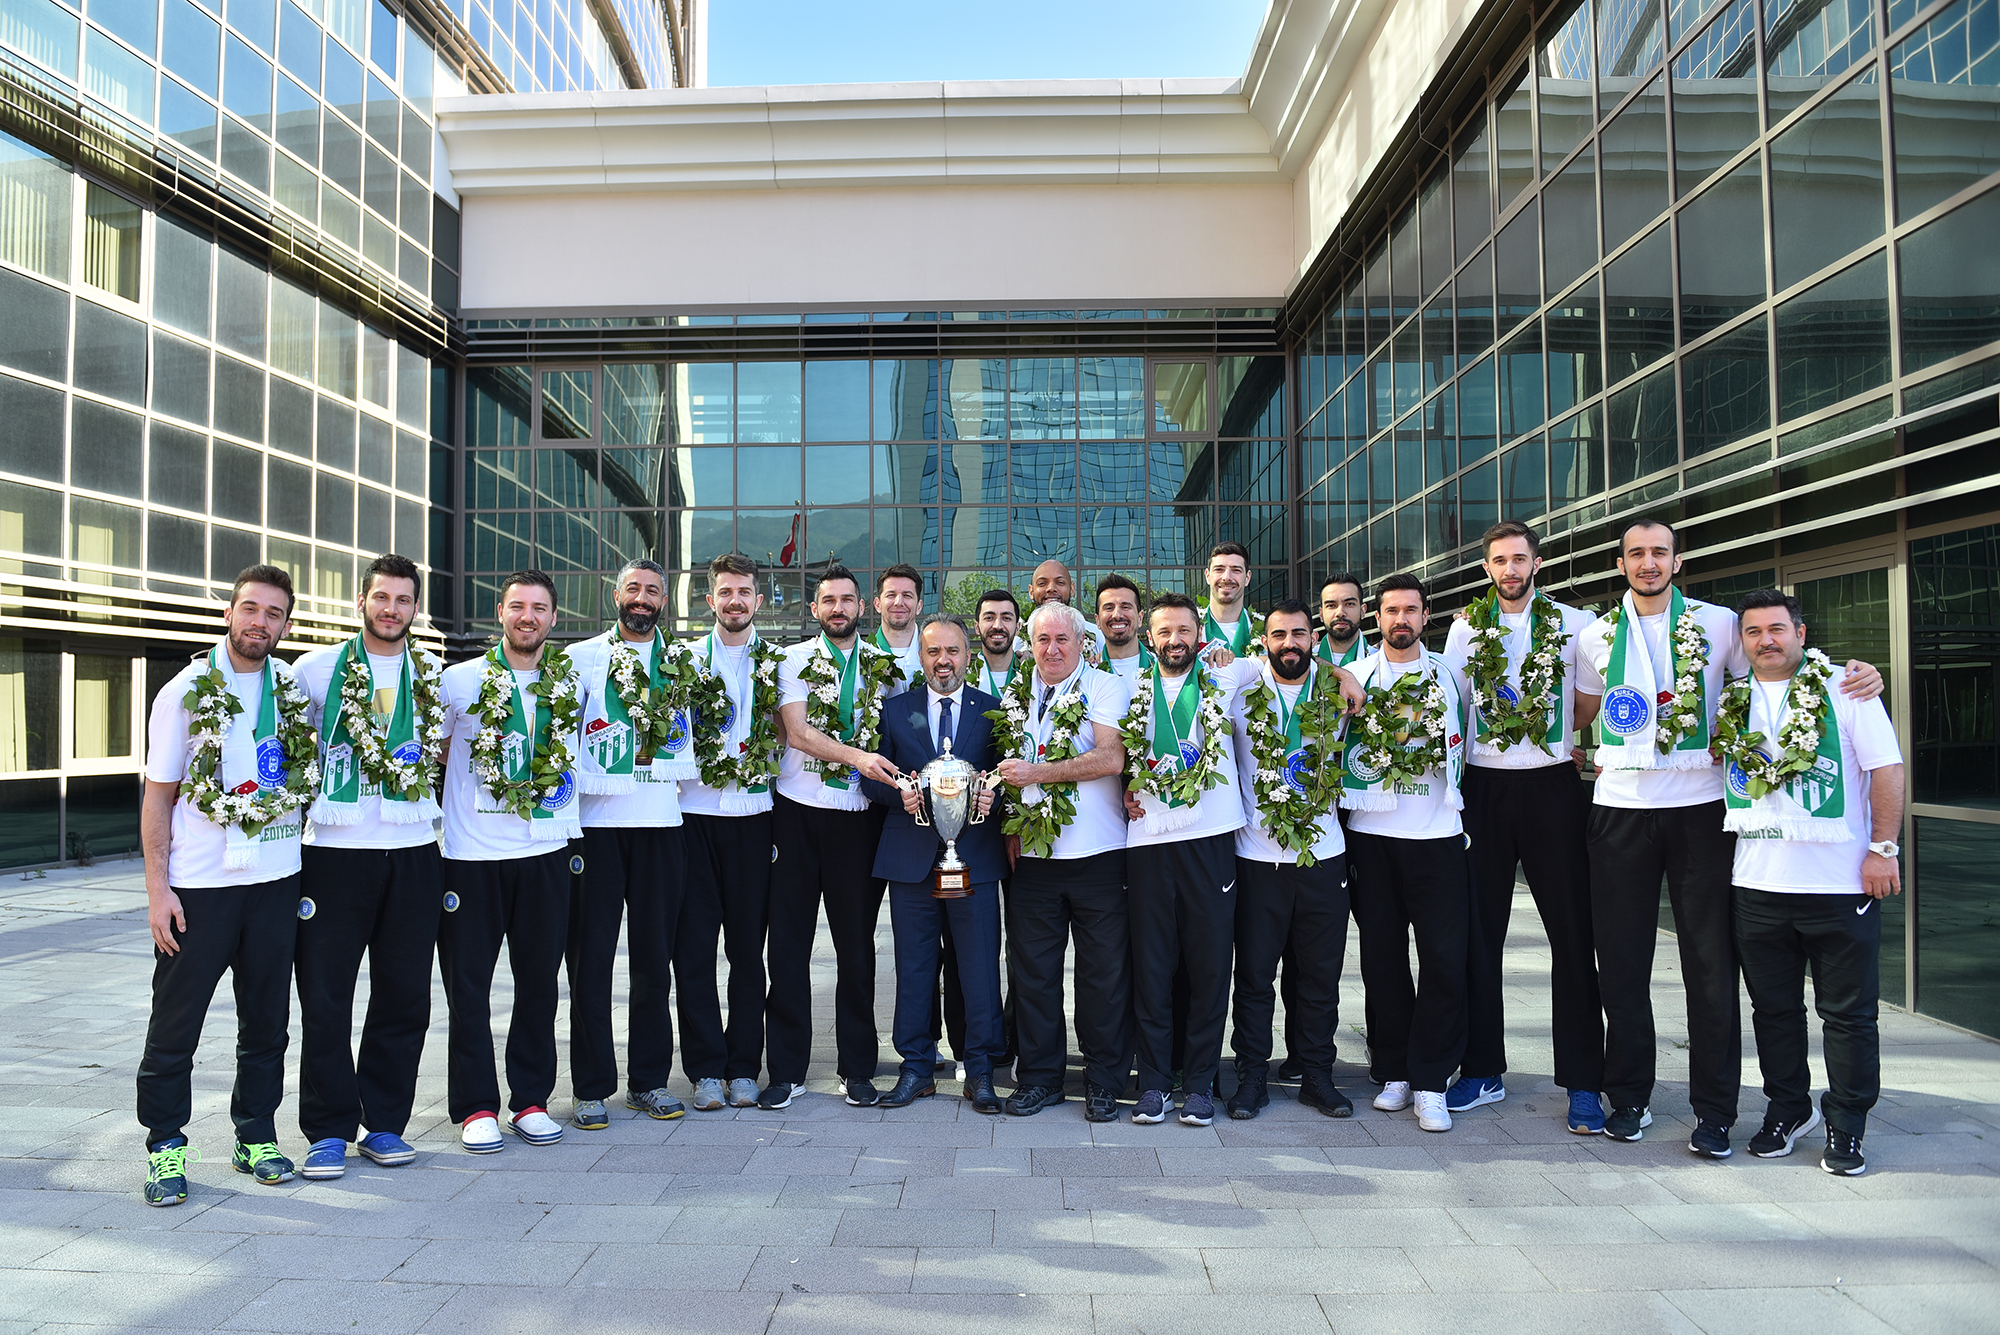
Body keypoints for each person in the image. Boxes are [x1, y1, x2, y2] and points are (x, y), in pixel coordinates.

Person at [1575, 519, 1881, 1154]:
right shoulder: (1594, 633)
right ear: (1620, 563)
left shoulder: (1718, 624)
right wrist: (1581, 751)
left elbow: (1779, 674)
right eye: (1636, 553)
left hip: (1703, 812)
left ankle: (1714, 1110)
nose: (1649, 562)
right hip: (1620, 810)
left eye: (1660, 552)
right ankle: (1628, 1096)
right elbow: (1582, 708)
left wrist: (1858, 671)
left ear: (1677, 561)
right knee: (1622, 965)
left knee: (1711, 969)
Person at [137, 566, 317, 1205]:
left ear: (285, 624)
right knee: (175, 1025)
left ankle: (256, 1134)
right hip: (200, 889)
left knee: (267, 1023)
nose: (259, 622)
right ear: (228, 614)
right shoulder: (184, 691)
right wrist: (158, 892)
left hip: (276, 881)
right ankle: (165, 1145)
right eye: (250, 609)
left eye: (274, 613)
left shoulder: (291, 689)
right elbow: (157, 799)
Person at [1724, 591, 1904, 1176]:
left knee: (1848, 1016)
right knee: (1773, 1012)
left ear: (1800, 633)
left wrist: (1883, 849)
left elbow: (1886, 769)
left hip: (1840, 888)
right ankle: (1787, 1109)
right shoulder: (1731, 701)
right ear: (1743, 642)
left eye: (1777, 629)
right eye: (1754, 632)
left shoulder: (1846, 688)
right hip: (1758, 886)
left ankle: (1847, 1124)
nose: (1766, 640)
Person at [1440, 523, 1605, 1133]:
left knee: (1573, 934)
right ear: (1486, 569)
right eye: (1499, 561)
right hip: (1483, 788)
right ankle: (1482, 1068)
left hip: (1552, 786)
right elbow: (1455, 703)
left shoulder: (1575, 624)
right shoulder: (1465, 629)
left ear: (1537, 562)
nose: (1509, 569)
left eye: (1519, 559)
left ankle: (1584, 1081)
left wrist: (1548, 737)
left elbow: (1585, 704)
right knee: (1479, 935)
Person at [291, 554, 445, 1180]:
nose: (391, 609)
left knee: (403, 994)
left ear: (416, 608)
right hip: (334, 855)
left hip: (413, 852)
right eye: (381, 597)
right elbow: (284, 747)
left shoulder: (431, 675)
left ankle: (384, 1123)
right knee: (325, 996)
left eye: (403, 599)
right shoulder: (314, 671)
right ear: (361, 601)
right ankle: (328, 1129)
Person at [435, 569, 583, 1153]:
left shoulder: (569, 682)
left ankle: (530, 1101)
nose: (528, 617)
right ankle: (476, 1107)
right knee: (468, 988)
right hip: (471, 857)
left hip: (545, 852)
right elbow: (433, 754)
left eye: (539, 608)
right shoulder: (458, 681)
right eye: (518, 606)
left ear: (553, 618)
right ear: (500, 613)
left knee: (539, 984)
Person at [566, 558, 700, 1129]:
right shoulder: (579, 659)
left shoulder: (684, 663)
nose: (642, 598)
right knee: (590, 962)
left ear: (663, 601)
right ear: (615, 594)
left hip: (662, 827)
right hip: (595, 830)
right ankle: (591, 1087)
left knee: (654, 963)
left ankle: (648, 1081)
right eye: (633, 589)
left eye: (652, 591)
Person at [768, 565, 904, 1109]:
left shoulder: (885, 668)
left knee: (856, 946)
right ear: (815, 609)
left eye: (848, 600)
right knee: (789, 945)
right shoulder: (793, 659)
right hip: (797, 814)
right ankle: (786, 1071)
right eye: (829, 601)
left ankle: (857, 1068)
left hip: (858, 818)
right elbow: (798, 733)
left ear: (863, 608)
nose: (839, 608)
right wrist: (858, 757)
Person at [1340, 574, 1472, 1134]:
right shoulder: (1356, 675)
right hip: (1372, 838)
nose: (1401, 619)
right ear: (1377, 617)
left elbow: (1469, 746)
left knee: (1444, 960)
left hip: (1437, 838)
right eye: (1391, 610)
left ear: (1425, 615)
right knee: (1382, 960)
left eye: (1410, 610)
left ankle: (1432, 1080)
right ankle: (1394, 1070)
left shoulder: (1450, 675)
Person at [990, 600, 1132, 1120]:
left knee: (1103, 977)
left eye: (1062, 639)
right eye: (1042, 640)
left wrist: (1037, 773)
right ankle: (1040, 1078)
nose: (1052, 650)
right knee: (1033, 975)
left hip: (1099, 855)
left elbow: (1110, 757)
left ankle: (1104, 1080)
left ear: (1080, 643)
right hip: (1034, 859)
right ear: (1030, 646)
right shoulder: (1015, 694)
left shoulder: (1105, 685)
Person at [861, 615, 1006, 1112]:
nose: (943, 661)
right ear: (920, 657)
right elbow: (871, 778)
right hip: (911, 861)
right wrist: (897, 794)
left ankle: (980, 1070)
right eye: (933, 652)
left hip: (975, 860)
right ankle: (916, 1068)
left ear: (968, 655)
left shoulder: (993, 711)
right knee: (914, 967)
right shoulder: (894, 710)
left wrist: (993, 799)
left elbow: (1007, 777)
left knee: (980, 968)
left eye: (953, 651)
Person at [1120, 592, 1253, 1127]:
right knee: (1152, 968)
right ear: (1149, 637)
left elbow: (1294, 663)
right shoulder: (1130, 688)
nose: (1174, 640)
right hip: (1148, 842)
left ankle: (1199, 1084)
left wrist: (1344, 678)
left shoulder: (1226, 675)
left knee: (1209, 967)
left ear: (1200, 635)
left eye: (1183, 631)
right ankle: (1154, 1083)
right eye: (1164, 632)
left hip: (1211, 841)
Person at [1226, 600, 1354, 1121]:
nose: (1289, 644)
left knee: (1321, 977)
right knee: (1255, 977)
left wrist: (1340, 673)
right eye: (1278, 635)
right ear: (1264, 643)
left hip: (1323, 857)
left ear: (1314, 641)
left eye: (1299, 634)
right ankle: (1251, 1076)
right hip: (1256, 860)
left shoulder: (1338, 695)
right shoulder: (1241, 689)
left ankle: (1317, 1075)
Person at [674, 553, 786, 1112]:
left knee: (747, 951)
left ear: (758, 600)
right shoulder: (684, 660)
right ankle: (704, 1070)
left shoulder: (781, 664)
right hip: (693, 818)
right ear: (710, 599)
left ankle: (744, 1066)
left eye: (744, 591)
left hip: (754, 818)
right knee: (693, 950)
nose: (735, 600)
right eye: (725, 591)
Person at [1022, 559, 1106, 663]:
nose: (1051, 588)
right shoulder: (1018, 642)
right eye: (1042, 583)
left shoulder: (1097, 636)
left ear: (1072, 589)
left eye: (1060, 582)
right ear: (1031, 591)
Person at [1201, 542, 1262, 657]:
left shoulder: (1266, 633)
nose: (1227, 577)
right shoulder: (1190, 630)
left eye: (1236, 570)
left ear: (1247, 578)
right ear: (1207, 576)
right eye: (1219, 569)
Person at [871, 563, 926, 689]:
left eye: (907, 596)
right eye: (891, 595)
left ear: (919, 606)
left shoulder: (935, 654)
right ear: (877, 604)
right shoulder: (862, 655)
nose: (899, 602)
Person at [1096, 574, 1156, 683]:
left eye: (1125, 607)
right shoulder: (1087, 673)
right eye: (1109, 608)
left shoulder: (1161, 669)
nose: (1117, 615)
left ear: (1140, 617)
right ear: (1097, 620)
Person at [1316, 572, 1368, 667]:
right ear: (1321, 614)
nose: (1340, 613)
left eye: (1349, 604)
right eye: (1331, 605)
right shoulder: (1306, 662)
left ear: (1362, 611)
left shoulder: (1380, 661)